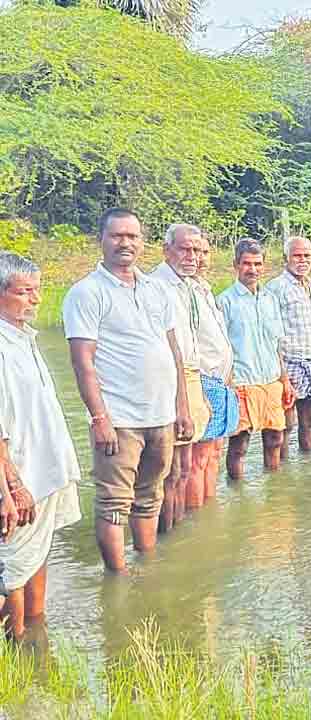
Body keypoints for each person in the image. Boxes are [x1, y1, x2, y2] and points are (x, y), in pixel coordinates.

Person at [63, 208, 193, 573]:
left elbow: (173, 350)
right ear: (101, 240)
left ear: (142, 242)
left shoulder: (157, 289)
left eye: (132, 236)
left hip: (161, 416)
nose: (125, 243)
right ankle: (117, 580)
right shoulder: (86, 293)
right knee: (113, 503)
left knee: (150, 496)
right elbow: (82, 362)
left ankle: (146, 568)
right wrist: (99, 418)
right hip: (119, 418)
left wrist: (181, 406)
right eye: (117, 235)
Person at [0, 253, 82, 639]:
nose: (35, 300)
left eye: (37, 290)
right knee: (11, 572)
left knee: (37, 556)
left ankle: (36, 638)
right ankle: (15, 651)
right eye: (24, 292)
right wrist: (11, 489)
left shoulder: (22, 338)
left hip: (46, 471)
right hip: (20, 480)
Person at [150, 224, 214, 532]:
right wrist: (181, 403)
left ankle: (180, 536)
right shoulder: (156, 286)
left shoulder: (188, 285)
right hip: (169, 382)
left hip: (191, 376)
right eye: (184, 249)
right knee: (171, 471)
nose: (192, 257)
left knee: (185, 467)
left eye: (197, 250)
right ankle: (165, 538)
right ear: (167, 250)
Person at [218, 240, 294, 479]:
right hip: (241, 382)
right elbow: (222, 349)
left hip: (271, 380)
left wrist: (286, 381)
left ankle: (274, 492)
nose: (252, 269)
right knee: (239, 445)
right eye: (247, 264)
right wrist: (229, 387)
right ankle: (237, 492)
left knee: (275, 438)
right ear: (236, 265)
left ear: (264, 266)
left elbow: (276, 346)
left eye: (257, 264)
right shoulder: (224, 302)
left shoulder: (270, 299)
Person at [265, 236, 311, 455]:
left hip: (310, 359)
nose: (302, 260)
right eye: (297, 256)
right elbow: (270, 334)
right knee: (285, 424)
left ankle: (308, 470)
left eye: (307, 256)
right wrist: (280, 374)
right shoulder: (276, 288)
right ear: (286, 258)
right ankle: (282, 473)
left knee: (309, 420)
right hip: (286, 362)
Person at [190, 235, 236, 508]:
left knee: (215, 452)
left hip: (220, 381)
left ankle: (210, 512)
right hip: (202, 381)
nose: (200, 258)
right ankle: (198, 521)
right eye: (193, 251)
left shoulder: (205, 290)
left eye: (205, 252)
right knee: (199, 458)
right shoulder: (181, 290)